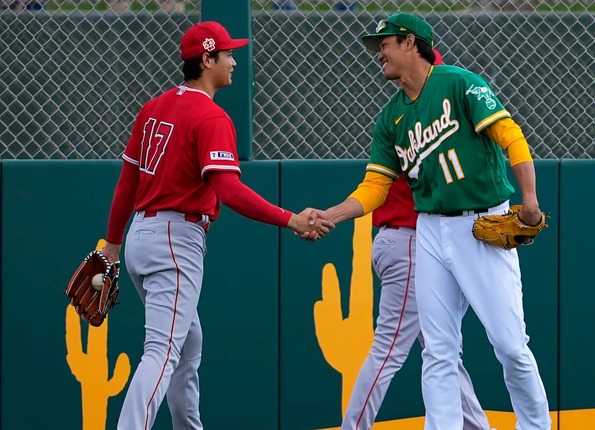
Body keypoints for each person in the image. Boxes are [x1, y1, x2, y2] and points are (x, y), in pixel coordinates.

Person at [306, 13, 550, 430]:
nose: (377, 52)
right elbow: (375, 187)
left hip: (481, 225)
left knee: (510, 345)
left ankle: (536, 425)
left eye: (384, 43)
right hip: (431, 230)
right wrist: (333, 214)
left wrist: (529, 198)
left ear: (410, 43)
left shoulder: (459, 83)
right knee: (438, 350)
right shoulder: (390, 118)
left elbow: (511, 135)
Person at [99, 21, 333, 430]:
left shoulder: (153, 108)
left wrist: (113, 246)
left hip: (141, 236)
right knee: (161, 352)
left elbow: (127, 184)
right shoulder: (210, 115)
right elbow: (229, 189)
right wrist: (290, 219)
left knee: (188, 345)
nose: (234, 60)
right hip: (175, 240)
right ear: (207, 59)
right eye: (227, 53)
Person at [341, 49, 494, 430]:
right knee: (390, 350)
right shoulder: (416, 119)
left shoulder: (415, 115)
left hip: (403, 243)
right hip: (409, 244)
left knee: (442, 351)